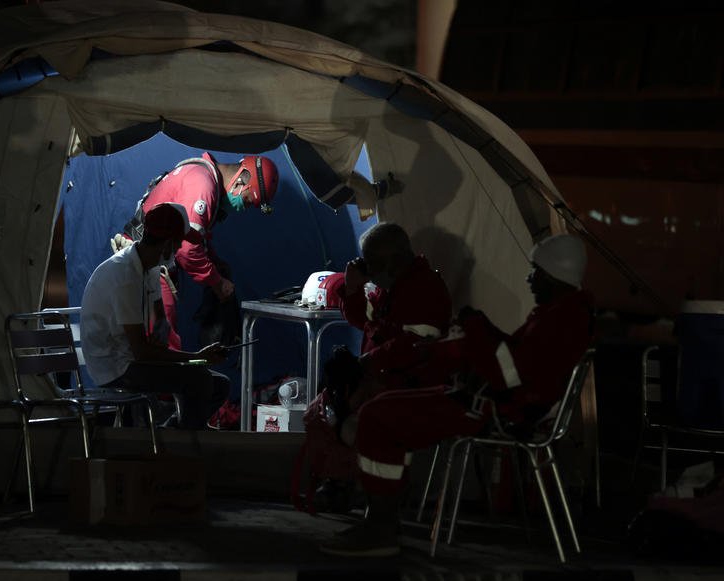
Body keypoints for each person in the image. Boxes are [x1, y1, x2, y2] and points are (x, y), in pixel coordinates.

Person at [319, 233, 594, 557]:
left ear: (556, 275)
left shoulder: (561, 322)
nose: (529, 278)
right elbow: (514, 363)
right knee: (380, 409)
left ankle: (380, 526)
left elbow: (510, 374)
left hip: (492, 410)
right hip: (488, 402)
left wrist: (476, 330)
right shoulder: (561, 315)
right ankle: (382, 517)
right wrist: (477, 333)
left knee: (377, 417)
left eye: (537, 272)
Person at [303, 222, 453, 512]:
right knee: (320, 412)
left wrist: (367, 362)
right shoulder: (391, 288)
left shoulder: (425, 290)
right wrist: (352, 288)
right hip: (377, 380)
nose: (369, 270)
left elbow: (415, 346)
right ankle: (338, 482)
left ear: (394, 260)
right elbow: (363, 320)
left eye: (372, 263)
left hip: (404, 385)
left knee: (356, 421)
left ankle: (372, 498)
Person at [81, 202, 231, 430]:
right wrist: (197, 357)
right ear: (168, 244)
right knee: (199, 379)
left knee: (220, 385)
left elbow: (159, 321)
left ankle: (175, 433)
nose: (179, 248)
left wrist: (161, 331)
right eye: (179, 242)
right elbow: (141, 351)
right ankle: (188, 439)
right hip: (115, 369)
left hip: (132, 359)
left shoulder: (149, 267)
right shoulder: (125, 275)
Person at [115, 153, 280, 350]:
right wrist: (217, 283)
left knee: (157, 344)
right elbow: (187, 249)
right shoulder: (202, 186)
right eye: (246, 201)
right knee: (163, 347)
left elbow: (196, 237)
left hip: (145, 264)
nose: (243, 208)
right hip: (146, 266)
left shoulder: (199, 174)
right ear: (240, 182)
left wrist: (216, 263)